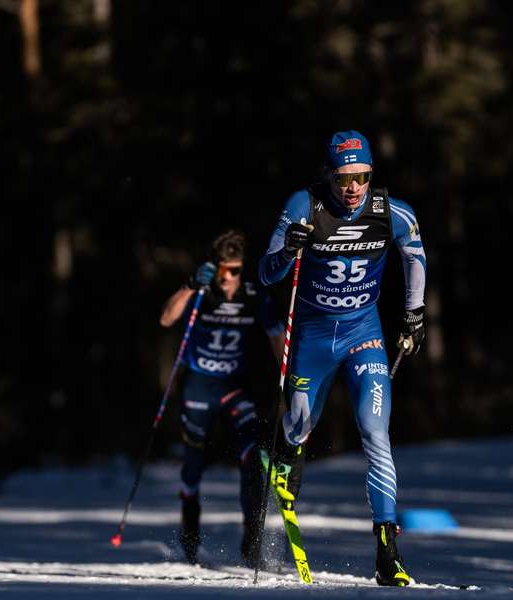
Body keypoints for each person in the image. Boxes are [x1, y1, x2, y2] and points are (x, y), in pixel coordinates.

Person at [258, 130, 426, 587]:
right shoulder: (303, 205)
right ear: (328, 176)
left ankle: (388, 551)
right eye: (343, 178)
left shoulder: (390, 212)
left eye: (362, 177)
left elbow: (415, 256)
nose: (353, 188)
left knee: (375, 431)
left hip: (363, 333)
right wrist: (290, 248)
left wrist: (413, 315)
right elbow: (267, 272)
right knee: (297, 425)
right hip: (313, 336)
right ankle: (288, 456)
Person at [160, 230, 285, 567]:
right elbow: (167, 318)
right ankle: (189, 542)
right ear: (212, 267)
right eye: (223, 270)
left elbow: (277, 335)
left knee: (252, 457)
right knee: (193, 466)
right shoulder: (201, 291)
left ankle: (251, 541)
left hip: (234, 387)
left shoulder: (253, 294)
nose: (228, 278)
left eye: (235, 270)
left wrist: (286, 379)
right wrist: (188, 285)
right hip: (199, 386)